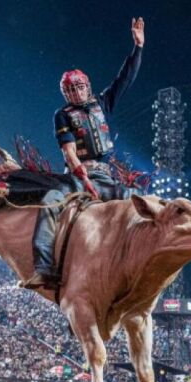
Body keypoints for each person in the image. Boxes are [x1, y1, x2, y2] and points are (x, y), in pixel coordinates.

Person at [21, 17, 145, 290]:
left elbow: (123, 80)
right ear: (65, 92)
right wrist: (83, 177)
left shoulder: (102, 103)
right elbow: (68, 152)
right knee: (51, 202)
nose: (76, 93)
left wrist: (137, 48)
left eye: (79, 87)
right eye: (71, 89)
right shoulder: (62, 115)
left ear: (87, 86)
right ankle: (43, 268)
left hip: (107, 175)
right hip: (78, 175)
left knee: (139, 205)